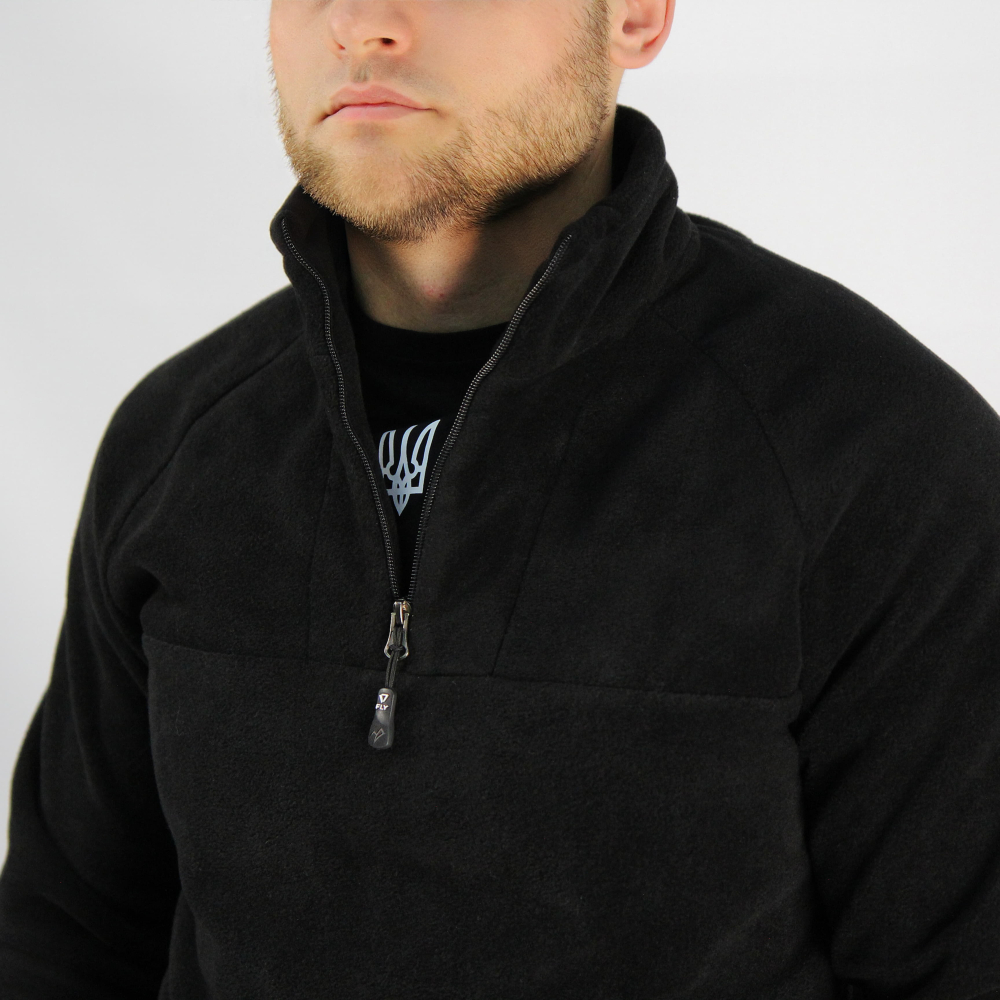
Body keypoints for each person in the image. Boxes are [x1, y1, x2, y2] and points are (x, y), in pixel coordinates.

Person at [1, 0, 999, 996]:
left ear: (635, 18)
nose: (359, 22)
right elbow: (67, 935)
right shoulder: (180, 441)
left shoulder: (872, 450)